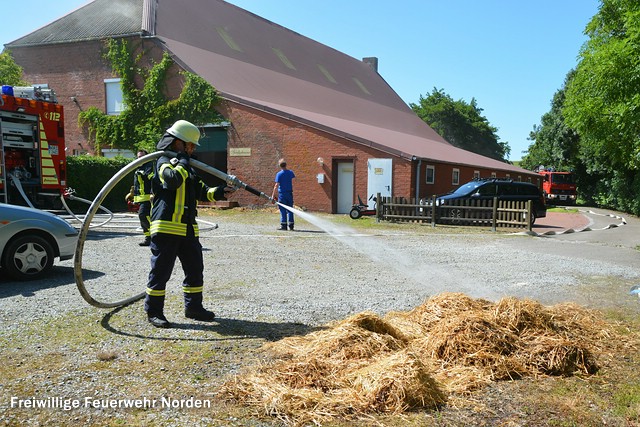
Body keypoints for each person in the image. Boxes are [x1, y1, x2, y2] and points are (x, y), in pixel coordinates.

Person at [145, 120, 233, 328]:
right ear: (178, 143)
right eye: (190, 145)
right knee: (161, 273)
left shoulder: (188, 168)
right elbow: (172, 180)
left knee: (195, 270)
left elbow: (203, 192)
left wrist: (221, 191)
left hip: (188, 230)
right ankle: (154, 312)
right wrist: (183, 162)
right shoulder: (162, 161)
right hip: (166, 227)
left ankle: (194, 308)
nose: (193, 149)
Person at [133, 149, 154, 246]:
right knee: (143, 218)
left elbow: (151, 178)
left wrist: (152, 193)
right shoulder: (138, 167)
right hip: (141, 198)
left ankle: (154, 236)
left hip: (148, 197)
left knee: (143, 215)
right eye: (138, 157)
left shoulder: (150, 166)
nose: (139, 159)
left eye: (142, 157)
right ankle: (148, 238)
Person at [271, 158, 295, 230]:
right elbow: (293, 178)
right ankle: (291, 225)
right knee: (290, 209)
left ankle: (283, 225)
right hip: (289, 193)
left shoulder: (279, 174)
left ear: (280, 166)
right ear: (286, 165)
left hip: (282, 194)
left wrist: (273, 195)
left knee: (282, 209)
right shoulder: (290, 172)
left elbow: (276, 185)